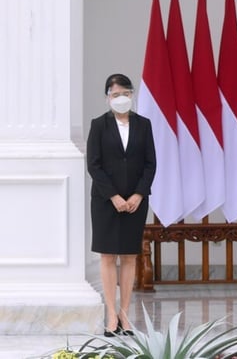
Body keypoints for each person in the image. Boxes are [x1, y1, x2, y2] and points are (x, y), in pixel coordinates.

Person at [86, 73, 156, 337]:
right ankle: (111, 315)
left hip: (136, 202)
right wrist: (113, 196)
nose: (121, 98)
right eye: (115, 94)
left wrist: (138, 195)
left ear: (132, 94)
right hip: (106, 201)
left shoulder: (144, 124)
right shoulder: (98, 125)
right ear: (107, 97)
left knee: (129, 255)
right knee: (107, 255)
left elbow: (150, 164)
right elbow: (94, 164)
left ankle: (126, 315)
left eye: (125, 93)